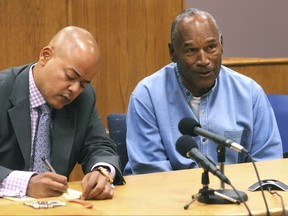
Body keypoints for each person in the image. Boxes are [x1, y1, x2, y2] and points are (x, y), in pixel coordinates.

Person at [124, 8, 283, 175]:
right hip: (171, 198)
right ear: (173, 52)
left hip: (238, 196)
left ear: (222, 44)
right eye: (191, 50)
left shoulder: (249, 93)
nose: (204, 60)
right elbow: (151, 174)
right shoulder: (147, 96)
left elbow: (268, 166)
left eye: (211, 47)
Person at [0, 26, 125, 200]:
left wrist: (102, 171)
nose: (74, 89)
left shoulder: (84, 98)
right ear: (45, 56)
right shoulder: (3, 90)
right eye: (70, 77)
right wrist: (26, 184)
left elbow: (99, 145)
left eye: (83, 84)